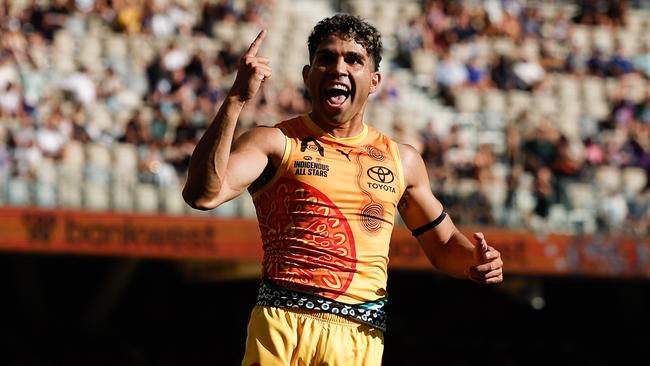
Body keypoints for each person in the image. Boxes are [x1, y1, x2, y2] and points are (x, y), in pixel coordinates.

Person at [182, 14, 503, 366]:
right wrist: (236, 99)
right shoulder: (275, 142)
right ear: (308, 75)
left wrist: (473, 261)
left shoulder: (402, 161)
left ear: (374, 80)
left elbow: (443, 246)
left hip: (359, 339)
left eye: (353, 59)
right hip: (282, 326)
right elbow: (203, 194)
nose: (338, 67)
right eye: (326, 58)